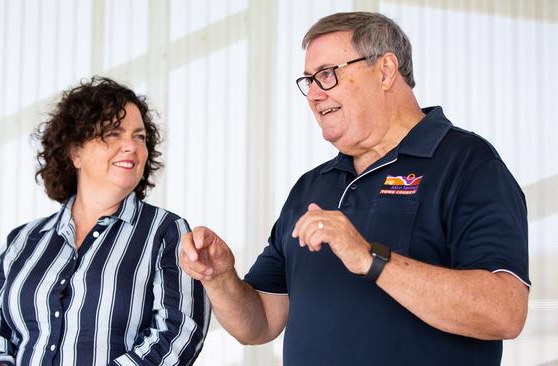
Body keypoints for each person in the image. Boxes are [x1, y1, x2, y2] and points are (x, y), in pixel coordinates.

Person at [179, 12, 529, 365]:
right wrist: (220, 278)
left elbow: (504, 312)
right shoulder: (312, 187)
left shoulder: (467, 163)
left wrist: (369, 258)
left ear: (386, 70)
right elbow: (260, 324)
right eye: (308, 80)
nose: (314, 94)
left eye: (328, 75)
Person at [0, 76, 210, 366]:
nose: (131, 146)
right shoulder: (24, 240)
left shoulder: (166, 232)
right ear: (75, 152)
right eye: (113, 133)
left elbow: (179, 335)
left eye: (139, 136)